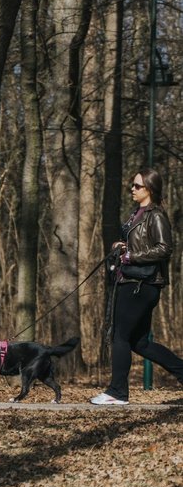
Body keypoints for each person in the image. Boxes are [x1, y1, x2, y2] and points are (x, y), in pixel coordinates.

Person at [92, 169, 183, 405]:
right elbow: (141, 243)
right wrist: (122, 246)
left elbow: (164, 248)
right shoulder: (138, 214)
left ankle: (117, 393)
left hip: (141, 284)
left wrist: (131, 256)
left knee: (120, 336)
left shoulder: (156, 215)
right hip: (133, 281)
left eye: (137, 186)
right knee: (139, 343)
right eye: (132, 185)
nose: (132, 189)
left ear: (150, 189)